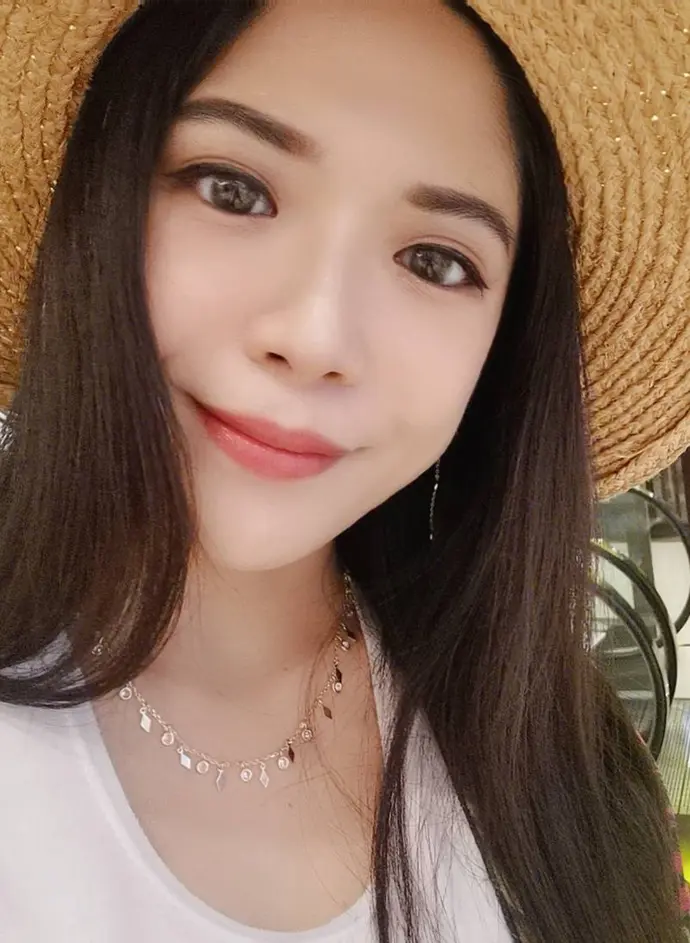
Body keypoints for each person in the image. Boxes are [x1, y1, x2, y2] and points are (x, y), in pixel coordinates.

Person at [0, 0, 688, 940]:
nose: (316, 336)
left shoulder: (566, 776)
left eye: (435, 261)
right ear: (98, 198)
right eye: (234, 189)